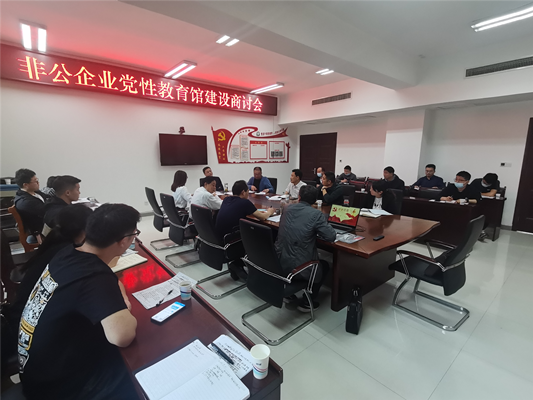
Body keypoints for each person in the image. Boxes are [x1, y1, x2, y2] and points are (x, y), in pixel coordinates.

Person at [18, 204, 140, 400]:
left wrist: (120, 298)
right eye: (135, 234)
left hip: (37, 372)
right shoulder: (93, 277)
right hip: (58, 388)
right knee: (138, 373)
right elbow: (122, 337)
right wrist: (125, 311)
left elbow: (112, 280)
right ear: (124, 241)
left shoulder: (69, 253)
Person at [9, 205, 92, 334]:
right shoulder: (67, 254)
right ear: (85, 230)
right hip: (25, 327)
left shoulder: (56, 242)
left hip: (21, 316)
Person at [275, 185, 336, 312]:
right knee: (324, 265)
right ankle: (307, 301)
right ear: (315, 200)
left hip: (279, 261)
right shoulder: (316, 214)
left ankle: (289, 293)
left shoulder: (287, 208)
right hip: (298, 268)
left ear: (299, 197)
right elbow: (331, 236)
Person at [14, 168, 46, 236]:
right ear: (25, 185)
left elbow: (49, 199)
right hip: (40, 231)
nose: (38, 183)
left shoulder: (35, 192)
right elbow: (45, 211)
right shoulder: (25, 202)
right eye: (35, 181)